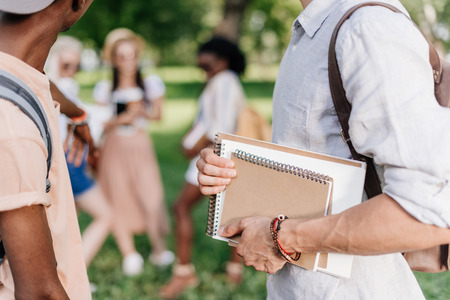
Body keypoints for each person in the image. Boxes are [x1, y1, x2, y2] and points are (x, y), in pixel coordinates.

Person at [196, 0, 450, 299]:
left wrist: (280, 236)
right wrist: (235, 172)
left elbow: (428, 214)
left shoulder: (367, 29)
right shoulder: (316, 27)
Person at [0, 0, 93, 299]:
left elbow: (32, 79)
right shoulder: (13, 130)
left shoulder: (13, 71)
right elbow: (39, 292)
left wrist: (76, 114)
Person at [159, 37, 246, 299]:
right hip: (216, 154)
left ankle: (184, 273)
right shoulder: (219, 81)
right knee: (231, 214)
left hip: (215, 156)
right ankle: (233, 272)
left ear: (222, 59)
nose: (200, 61)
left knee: (182, 207)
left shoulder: (224, 81)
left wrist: (194, 148)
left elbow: (220, 127)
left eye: (206, 57)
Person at [93, 28, 174, 276]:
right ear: (114, 59)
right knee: (117, 195)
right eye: (122, 56)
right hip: (115, 147)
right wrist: (120, 119)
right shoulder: (105, 88)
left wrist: (140, 113)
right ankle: (129, 253)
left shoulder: (150, 84)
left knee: (150, 194)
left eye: (132, 56)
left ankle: (159, 249)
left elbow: (158, 115)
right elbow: (100, 122)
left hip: (140, 145)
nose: (128, 61)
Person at [47, 35, 113, 269]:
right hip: (68, 162)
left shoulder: (62, 85)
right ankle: (76, 273)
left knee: (66, 224)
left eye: (76, 66)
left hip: (69, 161)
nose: (71, 71)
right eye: (67, 65)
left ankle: (65, 273)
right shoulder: (54, 85)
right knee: (105, 216)